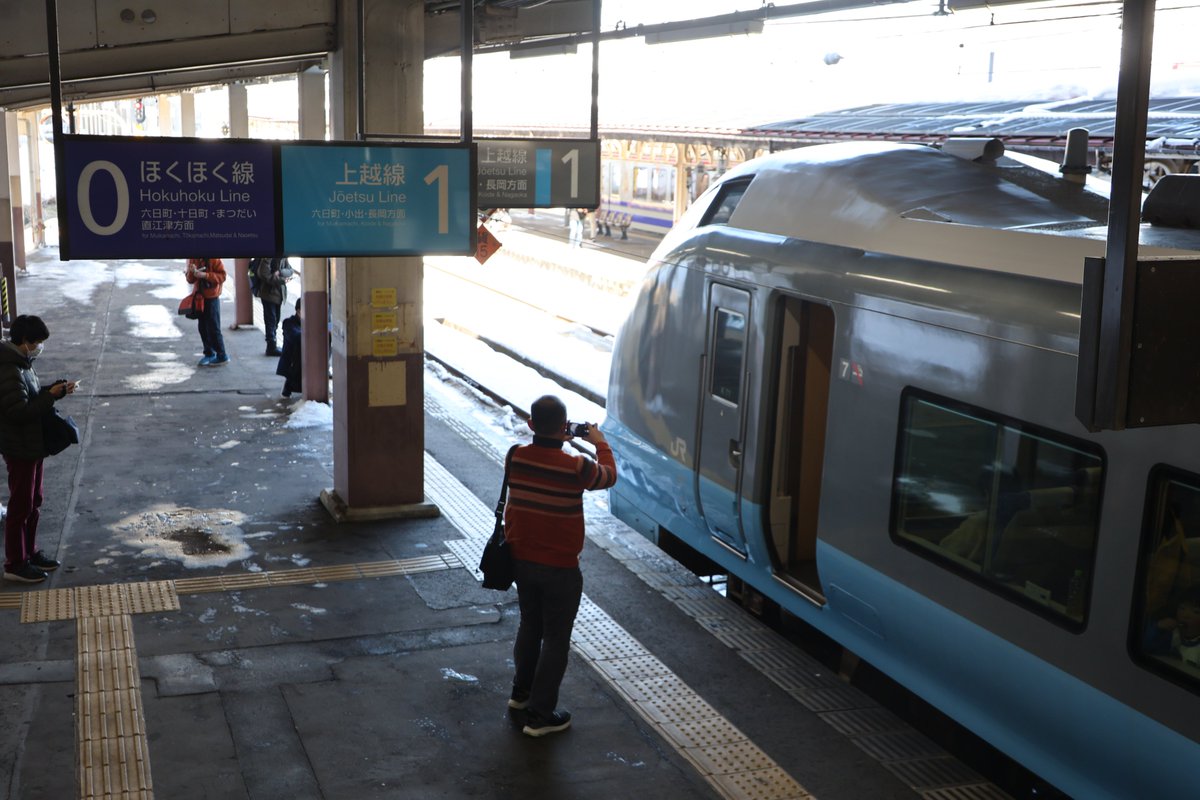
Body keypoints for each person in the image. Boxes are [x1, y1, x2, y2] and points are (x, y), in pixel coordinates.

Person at [504, 395, 618, 737]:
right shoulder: (576, 466)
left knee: (530, 626)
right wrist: (599, 443)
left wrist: (556, 439)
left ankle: (520, 696)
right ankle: (540, 717)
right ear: (564, 428)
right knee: (556, 639)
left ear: (530, 425)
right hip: (561, 568)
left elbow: (540, 453)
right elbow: (608, 476)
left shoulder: (515, 456)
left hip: (521, 562)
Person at [0, 315, 77, 583]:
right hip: (19, 447)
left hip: (32, 445)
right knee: (20, 506)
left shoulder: (22, 363)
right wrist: (50, 397)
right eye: (37, 342)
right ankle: (15, 563)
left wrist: (54, 390)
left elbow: (30, 396)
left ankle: (29, 552)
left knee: (34, 501)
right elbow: (18, 411)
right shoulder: (8, 368)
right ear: (24, 341)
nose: (39, 347)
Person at [186, 257, 228, 366]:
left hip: (212, 297)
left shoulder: (213, 258)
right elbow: (190, 280)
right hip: (199, 297)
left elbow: (222, 276)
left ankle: (222, 355)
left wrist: (206, 275)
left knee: (214, 327)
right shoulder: (193, 259)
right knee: (203, 327)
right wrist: (191, 271)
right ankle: (209, 353)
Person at [254, 257, 294, 356]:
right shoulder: (267, 257)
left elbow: (290, 270)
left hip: (278, 294)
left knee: (276, 319)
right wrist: (280, 280)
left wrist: (280, 272)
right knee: (271, 320)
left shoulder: (283, 256)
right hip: (268, 293)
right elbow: (262, 273)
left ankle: (272, 344)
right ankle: (271, 346)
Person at [276, 298, 303, 398]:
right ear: (298, 311)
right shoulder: (288, 323)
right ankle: (289, 386)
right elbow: (295, 336)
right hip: (291, 362)